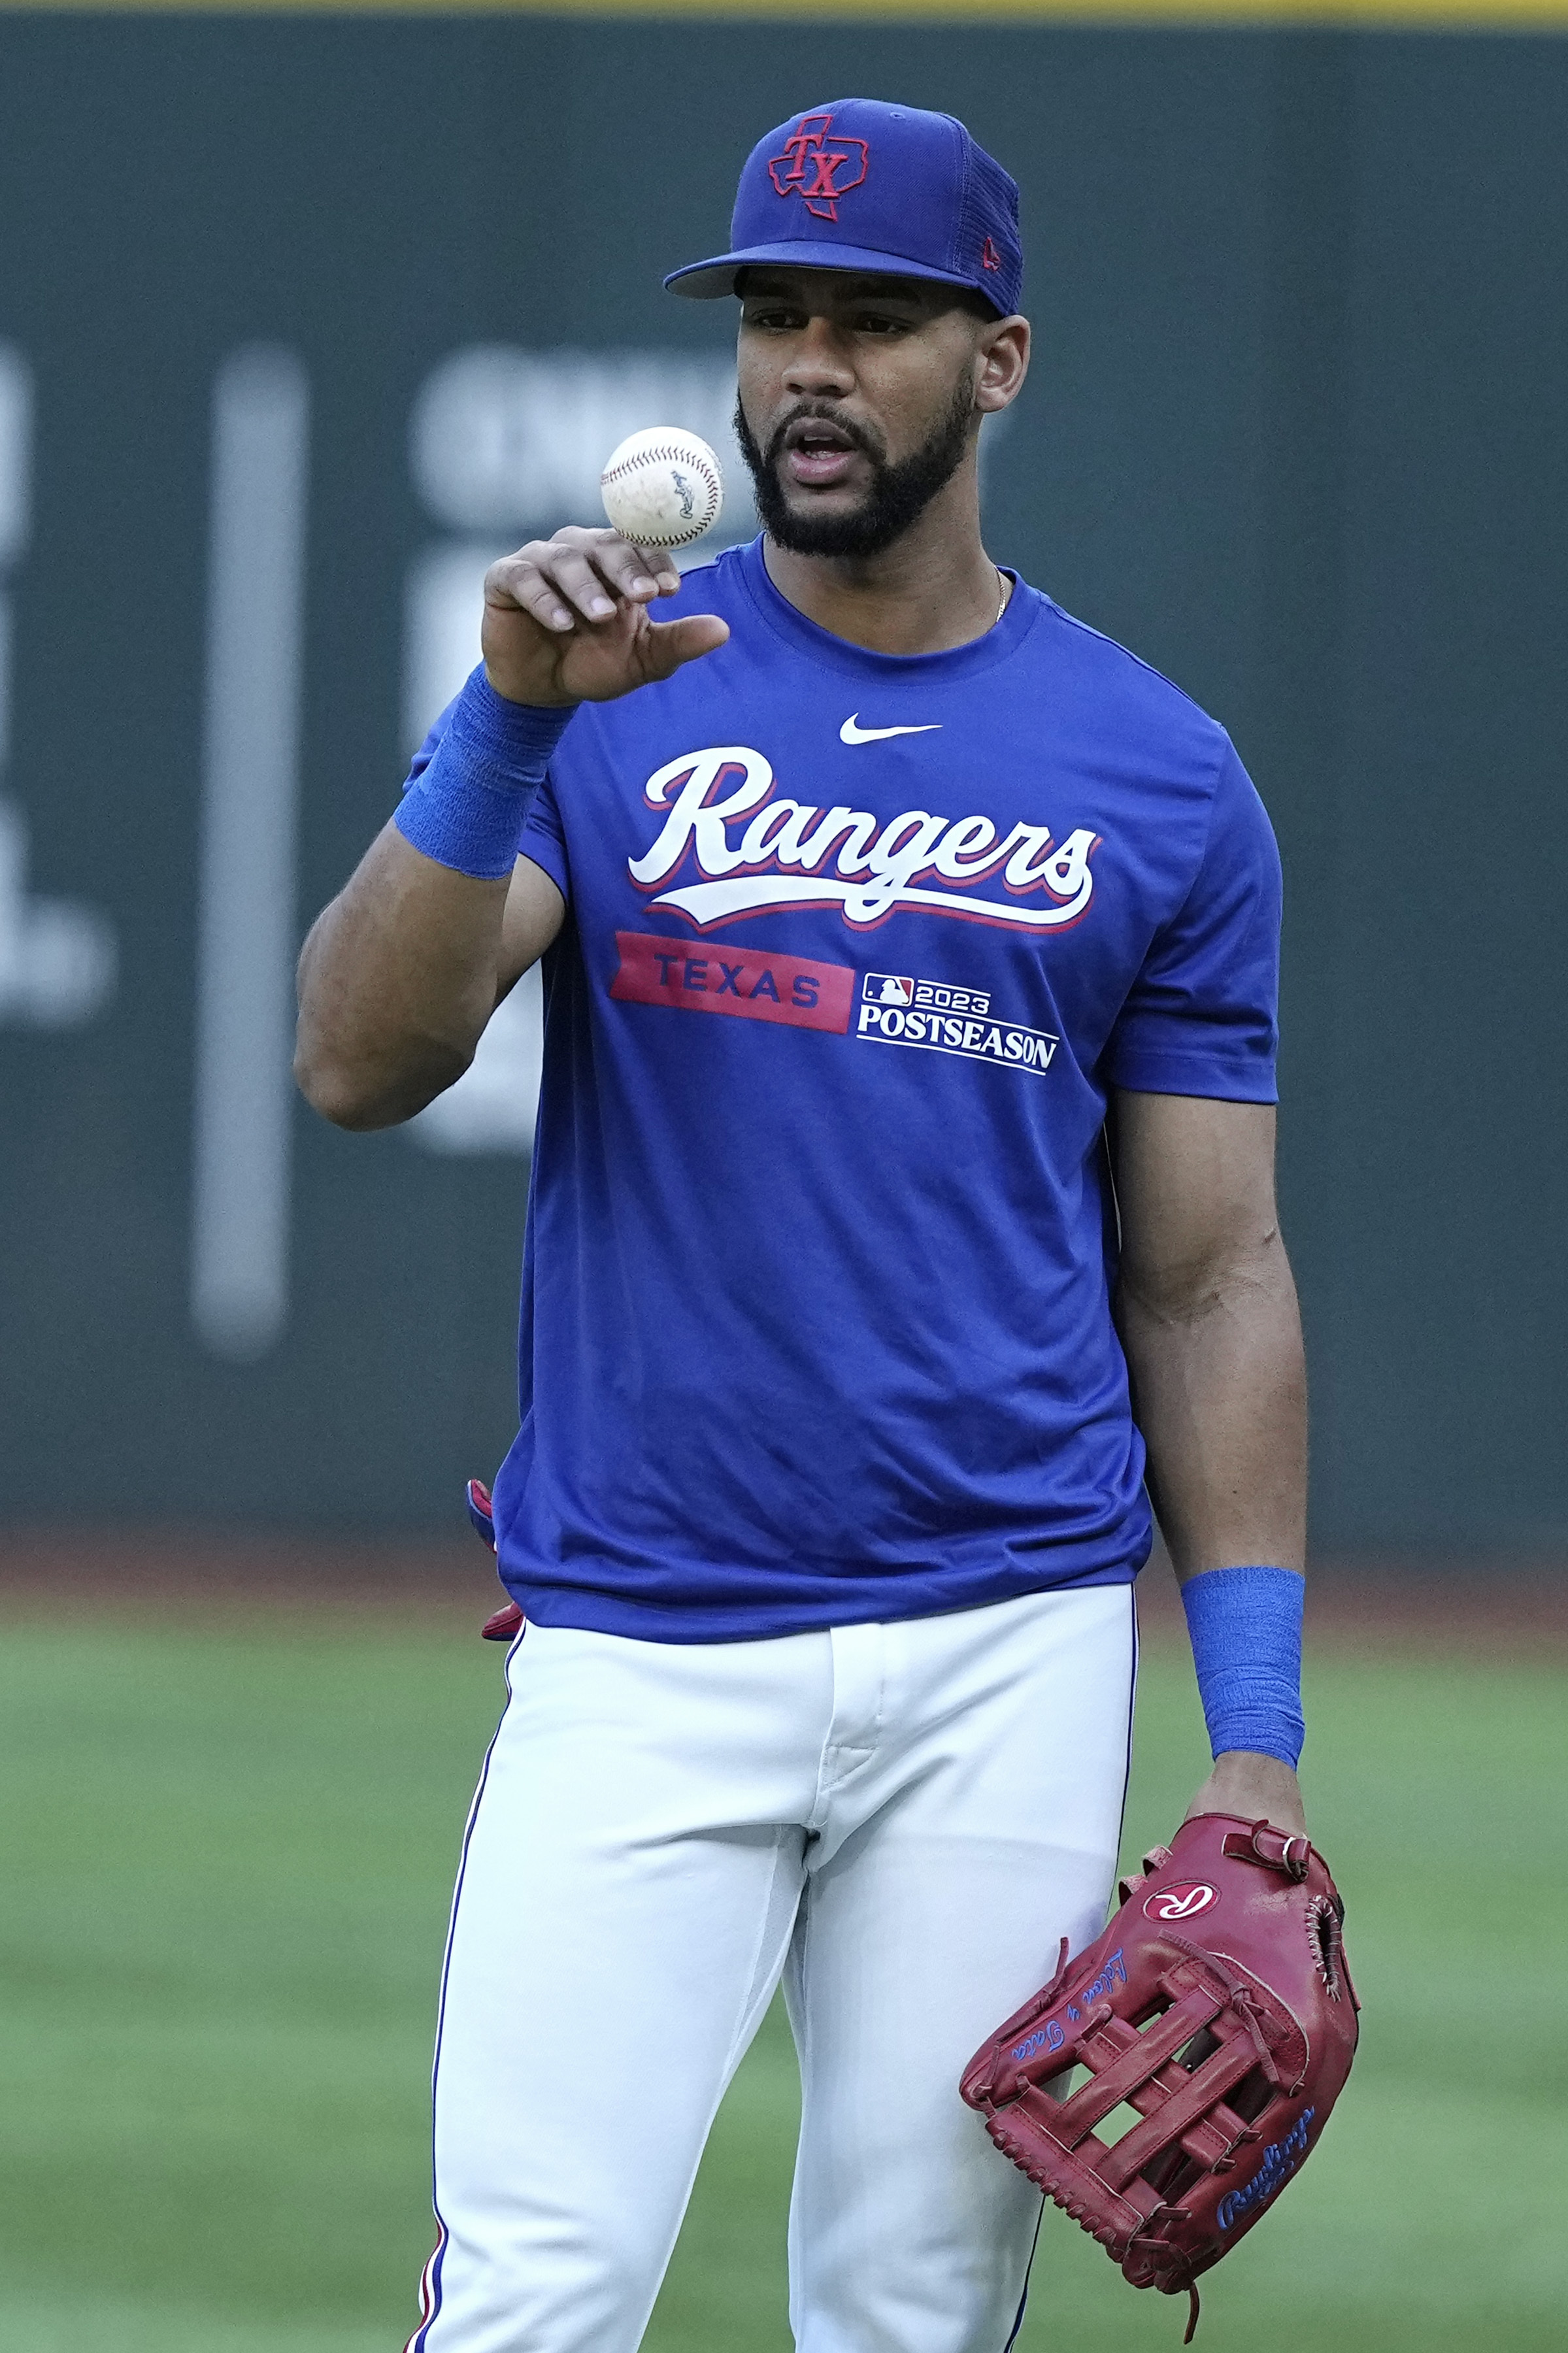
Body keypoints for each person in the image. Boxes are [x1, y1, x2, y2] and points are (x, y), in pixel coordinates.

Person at [295, 97, 1309, 2353]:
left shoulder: (1157, 770)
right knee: (538, 2290)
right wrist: (495, 730)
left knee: (916, 2302)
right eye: (773, 321)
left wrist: (1255, 1736)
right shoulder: (628, 697)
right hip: (649, 1625)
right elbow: (361, 1066)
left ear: (1002, 360)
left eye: (874, 320)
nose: (809, 371)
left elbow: (1209, 1269)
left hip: (1006, 1641)